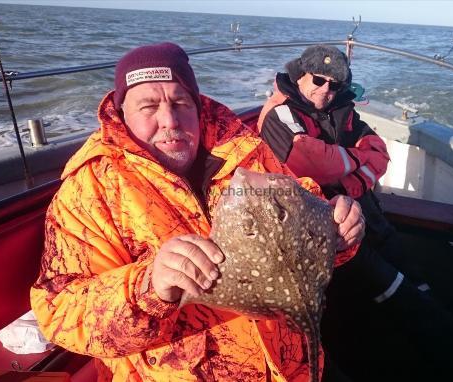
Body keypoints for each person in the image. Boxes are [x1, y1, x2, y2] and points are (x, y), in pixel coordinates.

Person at [30, 42, 365, 382]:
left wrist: (340, 230)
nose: (169, 121)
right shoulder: (91, 190)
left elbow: (303, 211)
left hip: (295, 366)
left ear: (196, 103)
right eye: (148, 106)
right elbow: (60, 313)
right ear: (122, 114)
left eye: (180, 102)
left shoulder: (244, 150)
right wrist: (149, 287)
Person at [258, 45, 453, 380]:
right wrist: (353, 162)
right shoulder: (280, 114)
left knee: (403, 259)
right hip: (321, 223)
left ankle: (425, 307)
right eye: (318, 80)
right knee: (386, 281)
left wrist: (350, 181)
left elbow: (379, 152)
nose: (325, 90)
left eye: (334, 85)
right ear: (301, 75)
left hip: (361, 207)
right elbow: (308, 160)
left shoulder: (341, 108)